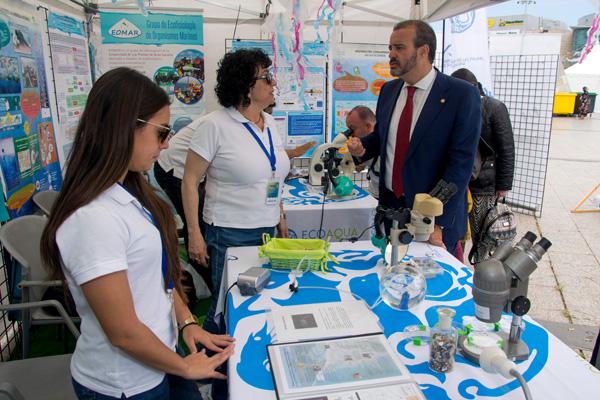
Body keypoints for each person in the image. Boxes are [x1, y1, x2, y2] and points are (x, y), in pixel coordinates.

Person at [39, 68, 234, 399]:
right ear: (125, 129)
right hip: (126, 382)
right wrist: (186, 367)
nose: (167, 143)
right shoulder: (93, 219)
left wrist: (187, 322)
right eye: (161, 133)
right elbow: (123, 332)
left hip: (162, 358)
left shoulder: (128, 193)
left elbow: (156, 280)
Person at [347, 20, 481, 257]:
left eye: (399, 48)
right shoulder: (389, 92)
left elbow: (460, 164)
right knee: (390, 280)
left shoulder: (460, 95)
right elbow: (383, 138)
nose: (391, 54)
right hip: (391, 211)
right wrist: (362, 148)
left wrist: (435, 222)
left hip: (432, 222)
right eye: (390, 48)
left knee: (427, 289)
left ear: (423, 51)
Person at [182, 49, 290, 334]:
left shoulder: (269, 125)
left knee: (258, 302)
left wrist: (280, 216)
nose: (273, 83)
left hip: (267, 231)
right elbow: (190, 180)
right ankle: (216, 372)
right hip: (230, 232)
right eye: (266, 77)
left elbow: (273, 175)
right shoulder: (214, 126)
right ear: (245, 85)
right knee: (227, 307)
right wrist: (194, 234)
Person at [450, 68, 515, 264]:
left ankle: (483, 279)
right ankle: (458, 271)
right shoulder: (453, 108)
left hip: (484, 185)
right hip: (458, 184)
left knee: (483, 238)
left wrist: (503, 186)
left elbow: (506, 149)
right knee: (456, 235)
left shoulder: (494, 108)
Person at [154, 117, 213, 293]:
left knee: (200, 221)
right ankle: (206, 280)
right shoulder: (218, 124)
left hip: (188, 170)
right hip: (173, 169)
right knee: (196, 224)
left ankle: (202, 276)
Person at [336, 106, 380, 199]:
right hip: (374, 192)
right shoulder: (365, 146)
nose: (350, 134)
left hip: (389, 197)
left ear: (368, 126)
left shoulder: (386, 143)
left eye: (352, 129)